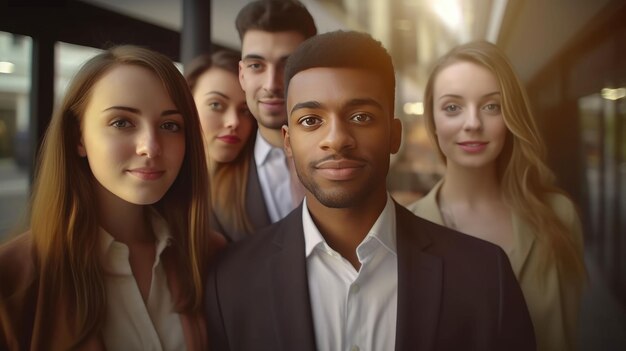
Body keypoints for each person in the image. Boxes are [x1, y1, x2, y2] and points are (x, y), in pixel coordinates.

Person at [205, 30, 536, 351]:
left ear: (395, 135)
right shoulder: (230, 280)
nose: (336, 139)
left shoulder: (484, 274)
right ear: (288, 142)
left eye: (361, 116)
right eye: (310, 120)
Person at [0, 45, 224, 350]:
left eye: (170, 125)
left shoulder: (211, 255)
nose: (150, 147)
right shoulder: (12, 279)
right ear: (78, 137)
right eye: (122, 122)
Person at [407, 40, 586, 351]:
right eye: (453, 107)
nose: (473, 123)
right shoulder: (403, 229)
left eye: (492, 106)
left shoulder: (559, 216)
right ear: (433, 121)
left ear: (511, 117)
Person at [235, 0, 316, 230]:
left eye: (288, 65)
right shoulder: (213, 177)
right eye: (256, 66)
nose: (271, 84)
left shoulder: (344, 152)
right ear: (242, 75)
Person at [185, 50, 258, 242]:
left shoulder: (264, 186)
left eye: (245, 110)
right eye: (216, 105)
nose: (233, 121)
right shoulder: (157, 189)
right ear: (186, 106)